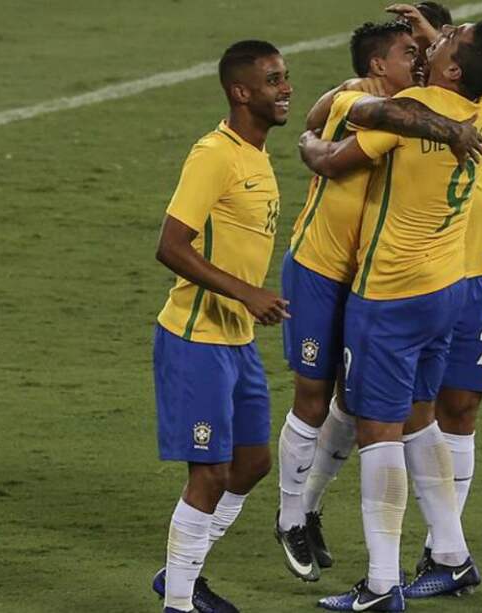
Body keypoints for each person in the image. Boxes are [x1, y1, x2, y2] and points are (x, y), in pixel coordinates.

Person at [299, 21, 482, 611]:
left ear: (450, 70)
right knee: (421, 416)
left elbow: (341, 151)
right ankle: (449, 553)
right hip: (447, 288)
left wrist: (309, 143)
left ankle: (380, 583)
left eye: (447, 39)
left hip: (390, 292)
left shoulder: (413, 104)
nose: (435, 38)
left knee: (378, 432)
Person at [149, 40, 292, 613]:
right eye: (273, 80)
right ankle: (179, 603)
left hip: (236, 340)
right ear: (241, 92)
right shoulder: (215, 154)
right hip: (195, 339)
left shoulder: (257, 154)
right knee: (208, 474)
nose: (285, 88)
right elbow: (169, 246)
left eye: (285, 77)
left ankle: (180, 572)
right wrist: (246, 292)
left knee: (253, 462)